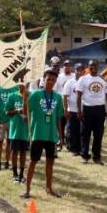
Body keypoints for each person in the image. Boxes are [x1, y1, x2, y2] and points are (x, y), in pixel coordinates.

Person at [22, 68, 64, 199]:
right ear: (43, 80)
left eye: (53, 80)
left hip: (51, 135)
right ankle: (27, 190)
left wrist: (61, 137)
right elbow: (26, 111)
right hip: (37, 133)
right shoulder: (35, 94)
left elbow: (58, 118)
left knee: (50, 163)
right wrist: (24, 98)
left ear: (56, 81)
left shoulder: (57, 97)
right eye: (48, 79)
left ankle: (49, 188)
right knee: (33, 162)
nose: (50, 81)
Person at [76, 60, 107, 165]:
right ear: (88, 67)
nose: (93, 67)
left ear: (98, 66)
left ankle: (97, 157)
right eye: (91, 66)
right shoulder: (83, 79)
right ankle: (85, 156)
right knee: (85, 134)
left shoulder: (103, 79)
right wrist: (79, 110)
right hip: (87, 109)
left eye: (95, 65)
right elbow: (79, 95)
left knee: (98, 134)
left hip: (100, 110)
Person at [0, 81, 19, 170]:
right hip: (1, 121)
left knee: (9, 142)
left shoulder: (15, 89)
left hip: (12, 122)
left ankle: (7, 162)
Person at [6, 83, 29, 183]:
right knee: (14, 152)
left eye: (24, 85)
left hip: (25, 130)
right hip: (15, 129)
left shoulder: (31, 96)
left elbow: (33, 111)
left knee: (23, 152)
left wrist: (28, 116)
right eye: (19, 85)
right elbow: (7, 112)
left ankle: (21, 174)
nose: (21, 86)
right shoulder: (12, 96)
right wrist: (17, 111)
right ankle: (14, 173)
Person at [61, 62, 85, 156]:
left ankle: (81, 148)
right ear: (74, 71)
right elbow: (65, 96)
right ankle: (73, 148)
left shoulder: (86, 81)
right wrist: (66, 109)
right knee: (72, 130)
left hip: (84, 110)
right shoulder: (70, 82)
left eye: (82, 70)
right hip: (72, 110)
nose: (80, 72)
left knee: (82, 130)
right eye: (78, 70)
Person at [55, 61, 74, 149]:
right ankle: (60, 139)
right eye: (65, 66)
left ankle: (69, 141)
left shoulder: (74, 76)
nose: (67, 67)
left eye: (68, 66)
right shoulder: (59, 77)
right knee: (60, 123)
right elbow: (55, 89)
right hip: (60, 103)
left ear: (71, 67)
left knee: (70, 124)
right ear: (63, 67)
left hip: (72, 104)